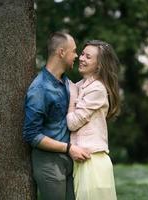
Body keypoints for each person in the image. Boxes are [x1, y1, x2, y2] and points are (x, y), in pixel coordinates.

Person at [22, 32, 90, 200]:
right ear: (61, 52)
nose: (76, 56)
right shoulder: (39, 89)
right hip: (49, 164)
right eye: (74, 51)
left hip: (70, 161)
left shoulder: (67, 84)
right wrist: (68, 148)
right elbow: (31, 135)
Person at [67, 40, 120, 200]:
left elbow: (72, 123)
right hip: (81, 159)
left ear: (99, 65)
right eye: (82, 54)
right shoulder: (79, 85)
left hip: (93, 161)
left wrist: (71, 99)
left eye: (88, 57)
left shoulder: (97, 89)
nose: (81, 58)